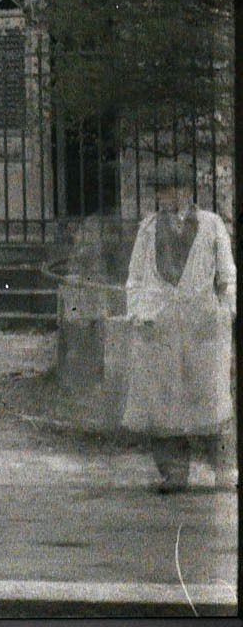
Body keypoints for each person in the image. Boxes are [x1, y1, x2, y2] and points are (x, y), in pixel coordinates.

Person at [121, 159, 236, 493]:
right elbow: (136, 276)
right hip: (160, 326)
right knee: (162, 406)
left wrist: (226, 313)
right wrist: (138, 314)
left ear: (188, 191)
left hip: (202, 326)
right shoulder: (147, 228)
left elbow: (227, 275)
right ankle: (174, 474)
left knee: (210, 402)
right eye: (161, 191)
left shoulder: (212, 225)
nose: (167, 197)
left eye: (173, 189)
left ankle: (224, 472)